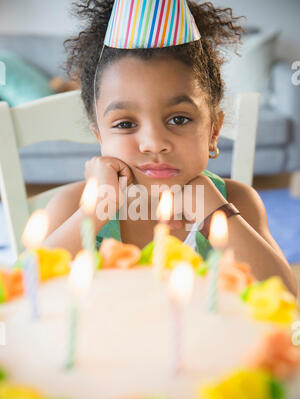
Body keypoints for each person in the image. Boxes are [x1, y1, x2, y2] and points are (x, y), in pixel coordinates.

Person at [43, 0, 297, 294]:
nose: (154, 143)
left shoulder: (237, 200)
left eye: (178, 119)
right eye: (125, 123)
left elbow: (286, 298)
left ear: (213, 130)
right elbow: (25, 289)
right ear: (100, 138)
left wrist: (216, 214)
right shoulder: (72, 205)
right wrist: (95, 212)